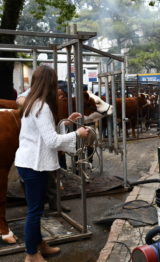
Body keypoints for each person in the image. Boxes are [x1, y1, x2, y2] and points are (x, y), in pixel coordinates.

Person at [14, 65, 89, 262]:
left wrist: (65, 123)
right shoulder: (42, 106)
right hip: (34, 165)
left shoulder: (33, 103)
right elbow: (52, 141)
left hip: (29, 162)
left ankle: (39, 245)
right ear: (49, 84)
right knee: (35, 211)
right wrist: (77, 133)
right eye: (55, 85)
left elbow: (44, 133)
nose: (58, 90)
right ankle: (31, 255)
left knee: (36, 208)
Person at [17, 87, 71, 213]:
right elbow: (19, 99)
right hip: (35, 150)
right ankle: (37, 207)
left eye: (61, 95)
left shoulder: (44, 104)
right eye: (59, 95)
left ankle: (50, 205)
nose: (60, 98)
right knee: (37, 186)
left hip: (42, 146)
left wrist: (64, 124)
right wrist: (76, 134)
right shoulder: (39, 105)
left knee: (51, 176)